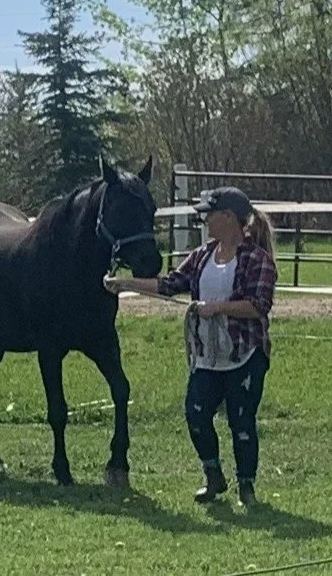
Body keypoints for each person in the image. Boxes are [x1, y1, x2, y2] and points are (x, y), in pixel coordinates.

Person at [104, 186, 278, 506]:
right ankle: (213, 475)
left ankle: (246, 486)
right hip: (207, 355)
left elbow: (258, 306)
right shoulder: (202, 256)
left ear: (228, 218)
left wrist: (217, 307)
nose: (205, 221)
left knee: (241, 422)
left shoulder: (258, 260)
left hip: (244, 353)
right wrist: (125, 284)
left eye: (209, 215)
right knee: (196, 414)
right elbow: (169, 284)